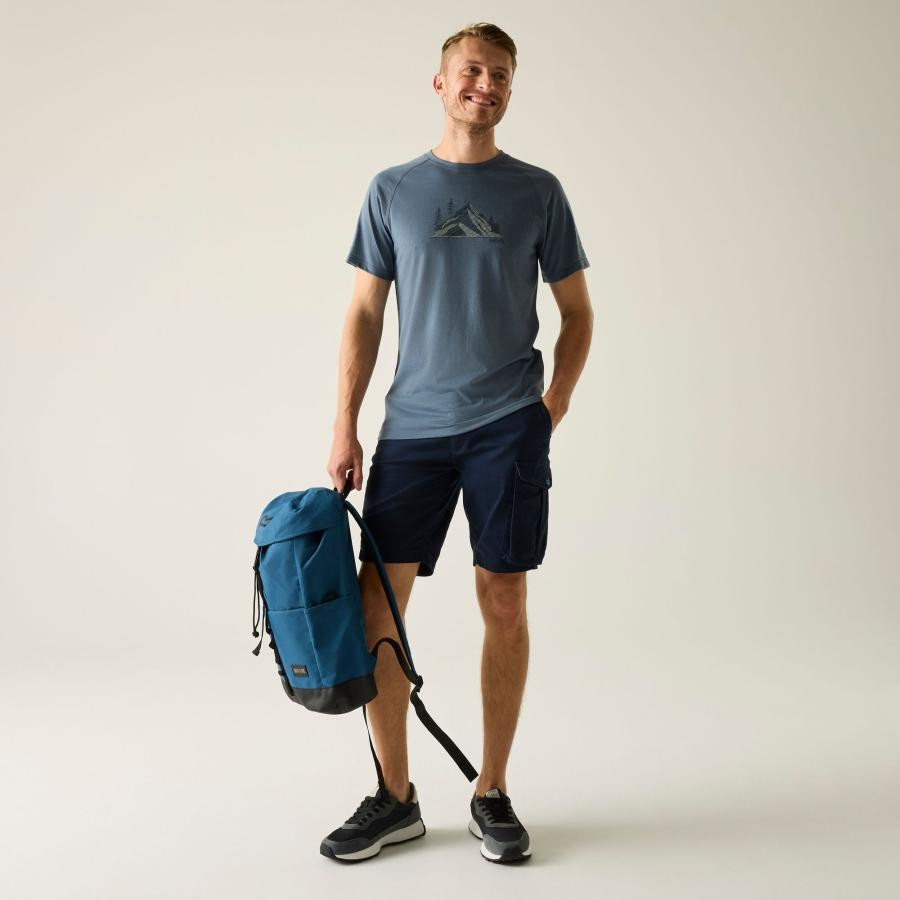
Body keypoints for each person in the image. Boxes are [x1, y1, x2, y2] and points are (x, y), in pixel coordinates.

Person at [322, 22, 593, 864]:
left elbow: (577, 313)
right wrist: (345, 423)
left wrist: (550, 407)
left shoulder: (538, 192)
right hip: (413, 430)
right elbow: (364, 313)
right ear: (440, 84)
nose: (487, 84)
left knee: (504, 600)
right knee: (377, 609)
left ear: (511, 89)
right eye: (473, 70)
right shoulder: (393, 190)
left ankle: (492, 790)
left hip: (507, 427)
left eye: (501, 75)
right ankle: (394, 796)